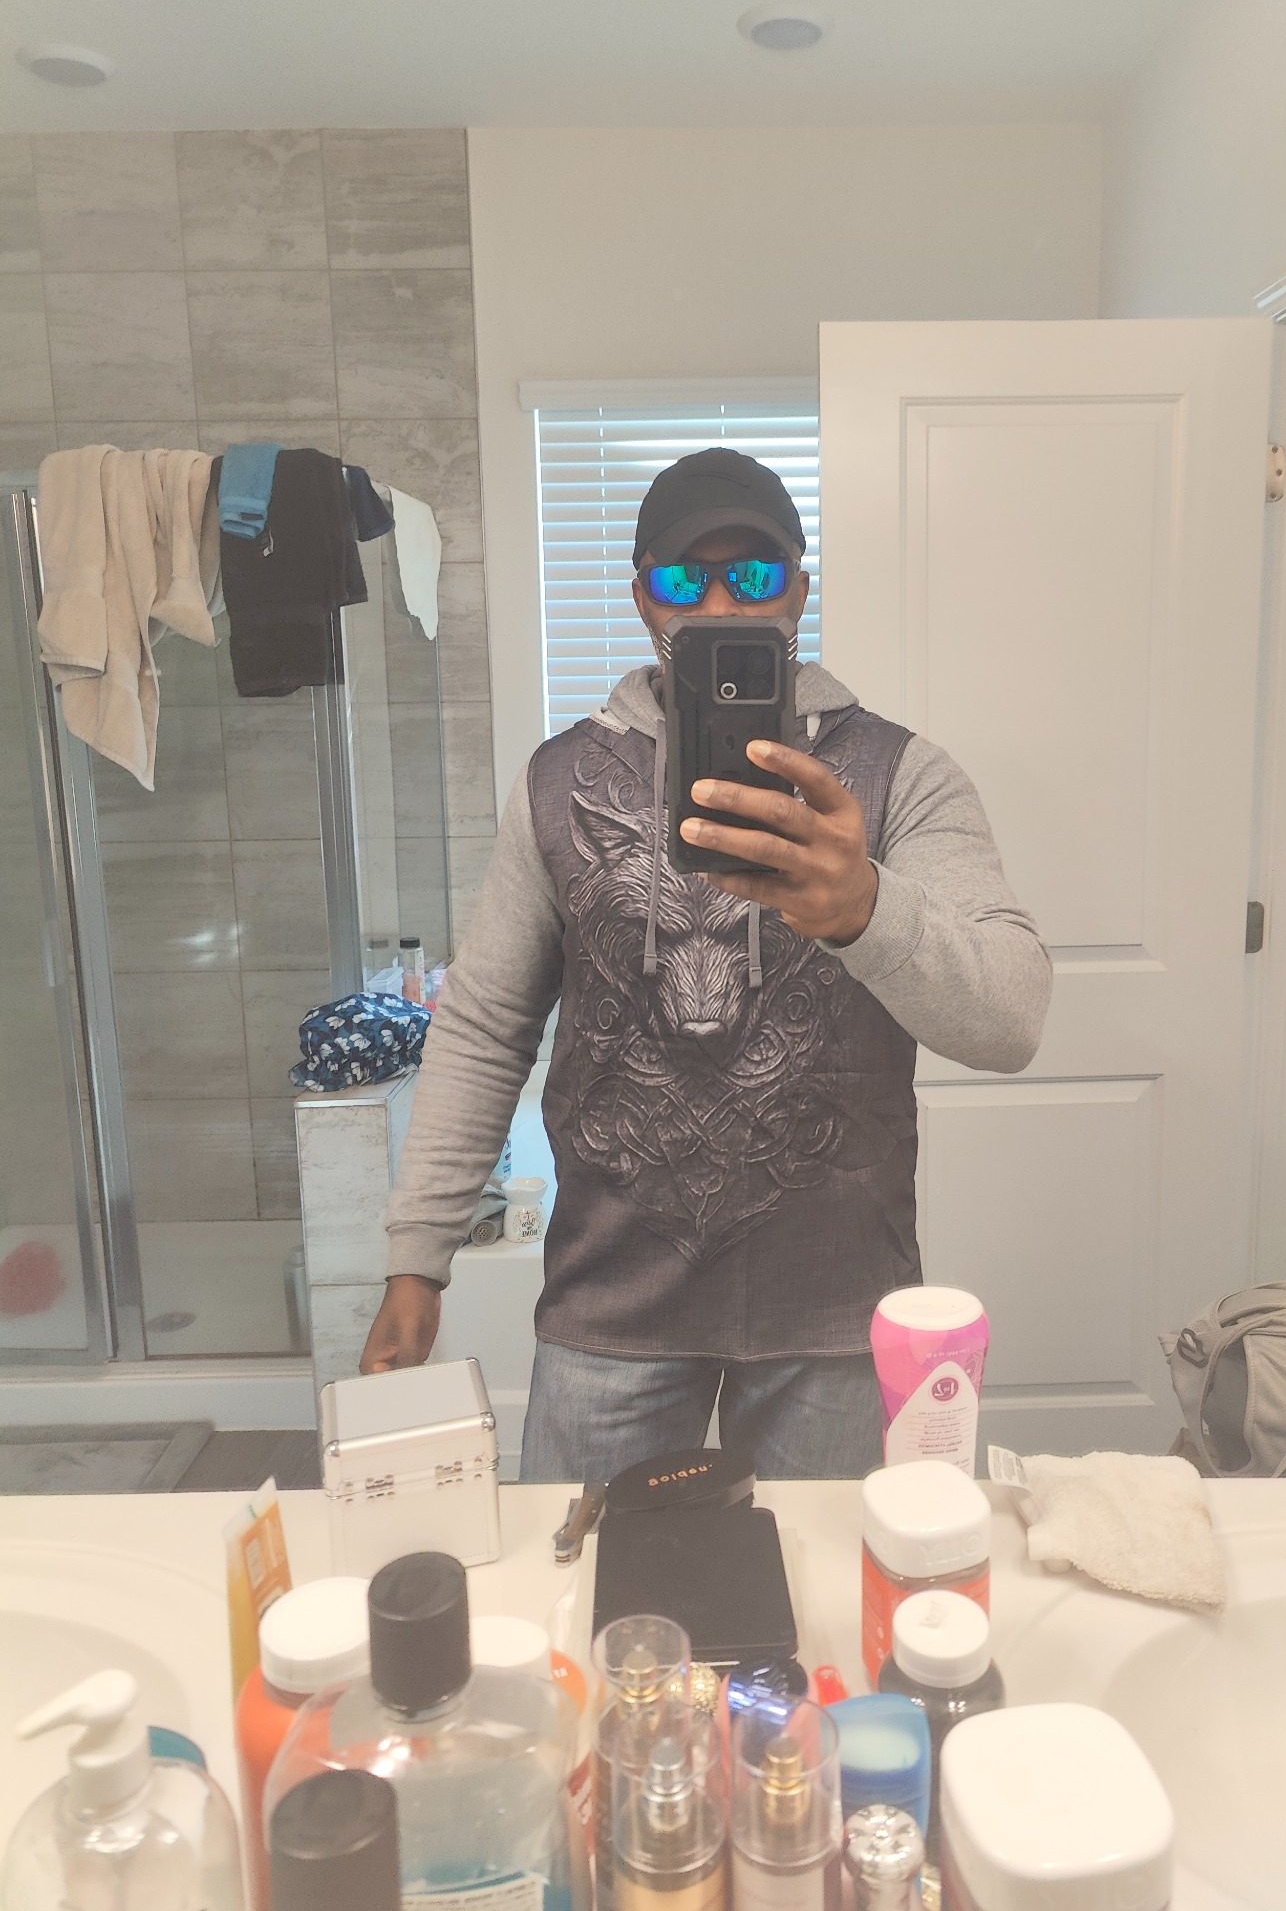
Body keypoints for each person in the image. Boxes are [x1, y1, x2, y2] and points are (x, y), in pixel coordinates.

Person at [360, 448, 1051, 1481]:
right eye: (686, 579)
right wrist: (419, 1252)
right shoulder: (559, 782)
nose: (721, 602)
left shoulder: (899, 776)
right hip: (613, 1302)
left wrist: (867, 908)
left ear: (798, 590)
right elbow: (486, 1023)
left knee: (828, 1576)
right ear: (644, 597)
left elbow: (1010, 1016)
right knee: (592, 1573)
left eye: (755, 574)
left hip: (835, 1302)